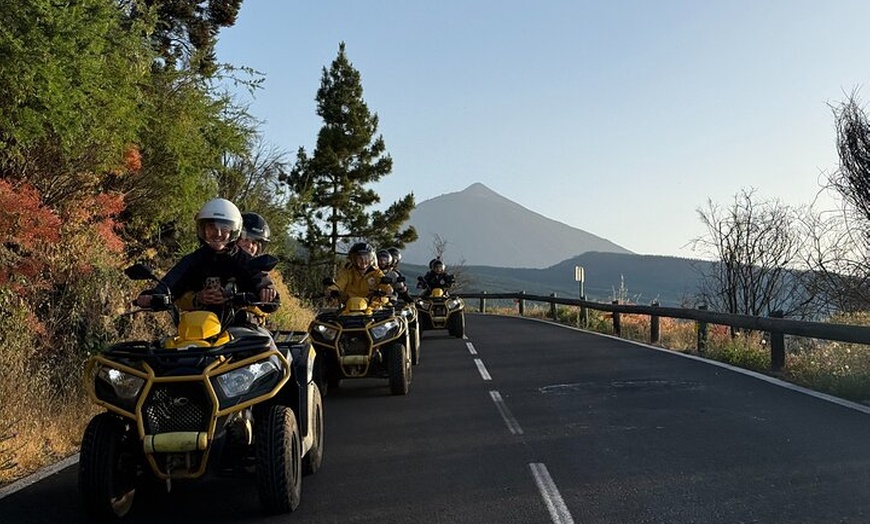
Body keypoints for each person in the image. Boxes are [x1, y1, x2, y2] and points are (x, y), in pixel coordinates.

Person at [136, 198, 279, 321]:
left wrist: (266, 292)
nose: (218, 234)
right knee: (167, 344)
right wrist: (152, 296)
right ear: (202, 230)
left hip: (240, 327)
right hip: (198, 327)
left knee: (264, 343)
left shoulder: (245, 260)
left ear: (234, 231)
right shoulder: (193, 260)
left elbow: (263, 284)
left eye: (224, 229)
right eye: (212, 228)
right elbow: (171, 282)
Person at [326, 242, 392, 306]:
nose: (363, 261)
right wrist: (332, 289)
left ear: (371, 259)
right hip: (350, 306)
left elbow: (383, 283)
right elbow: (340, 283)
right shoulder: (348, 272)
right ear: (353, 259)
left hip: (371, 306)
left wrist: (387, 289)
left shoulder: (376, 272)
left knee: (387, 308)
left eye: (366, 258)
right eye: (359, 258)